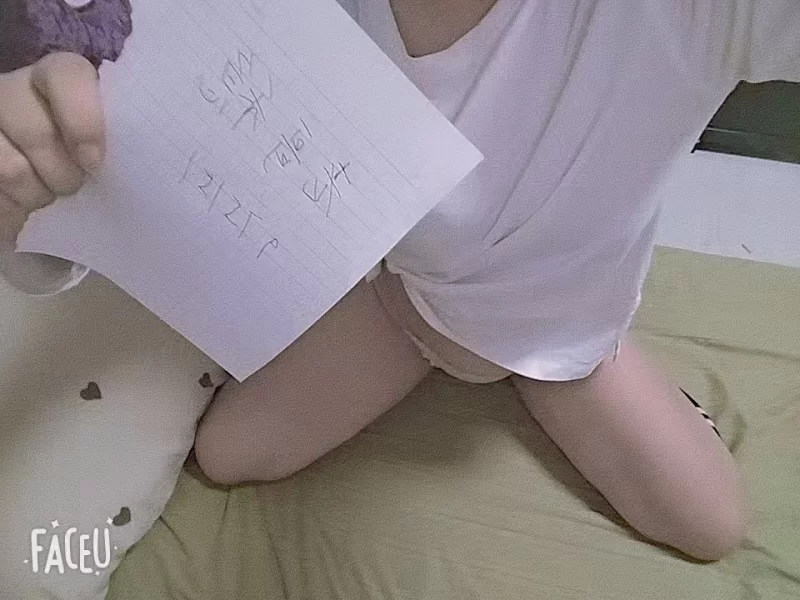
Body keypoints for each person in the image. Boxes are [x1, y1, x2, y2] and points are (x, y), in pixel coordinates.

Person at [2, 0, 798, 562]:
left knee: (710, 525)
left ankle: (604, 359)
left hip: (564, 324)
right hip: (407, 301)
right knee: (231, 452)